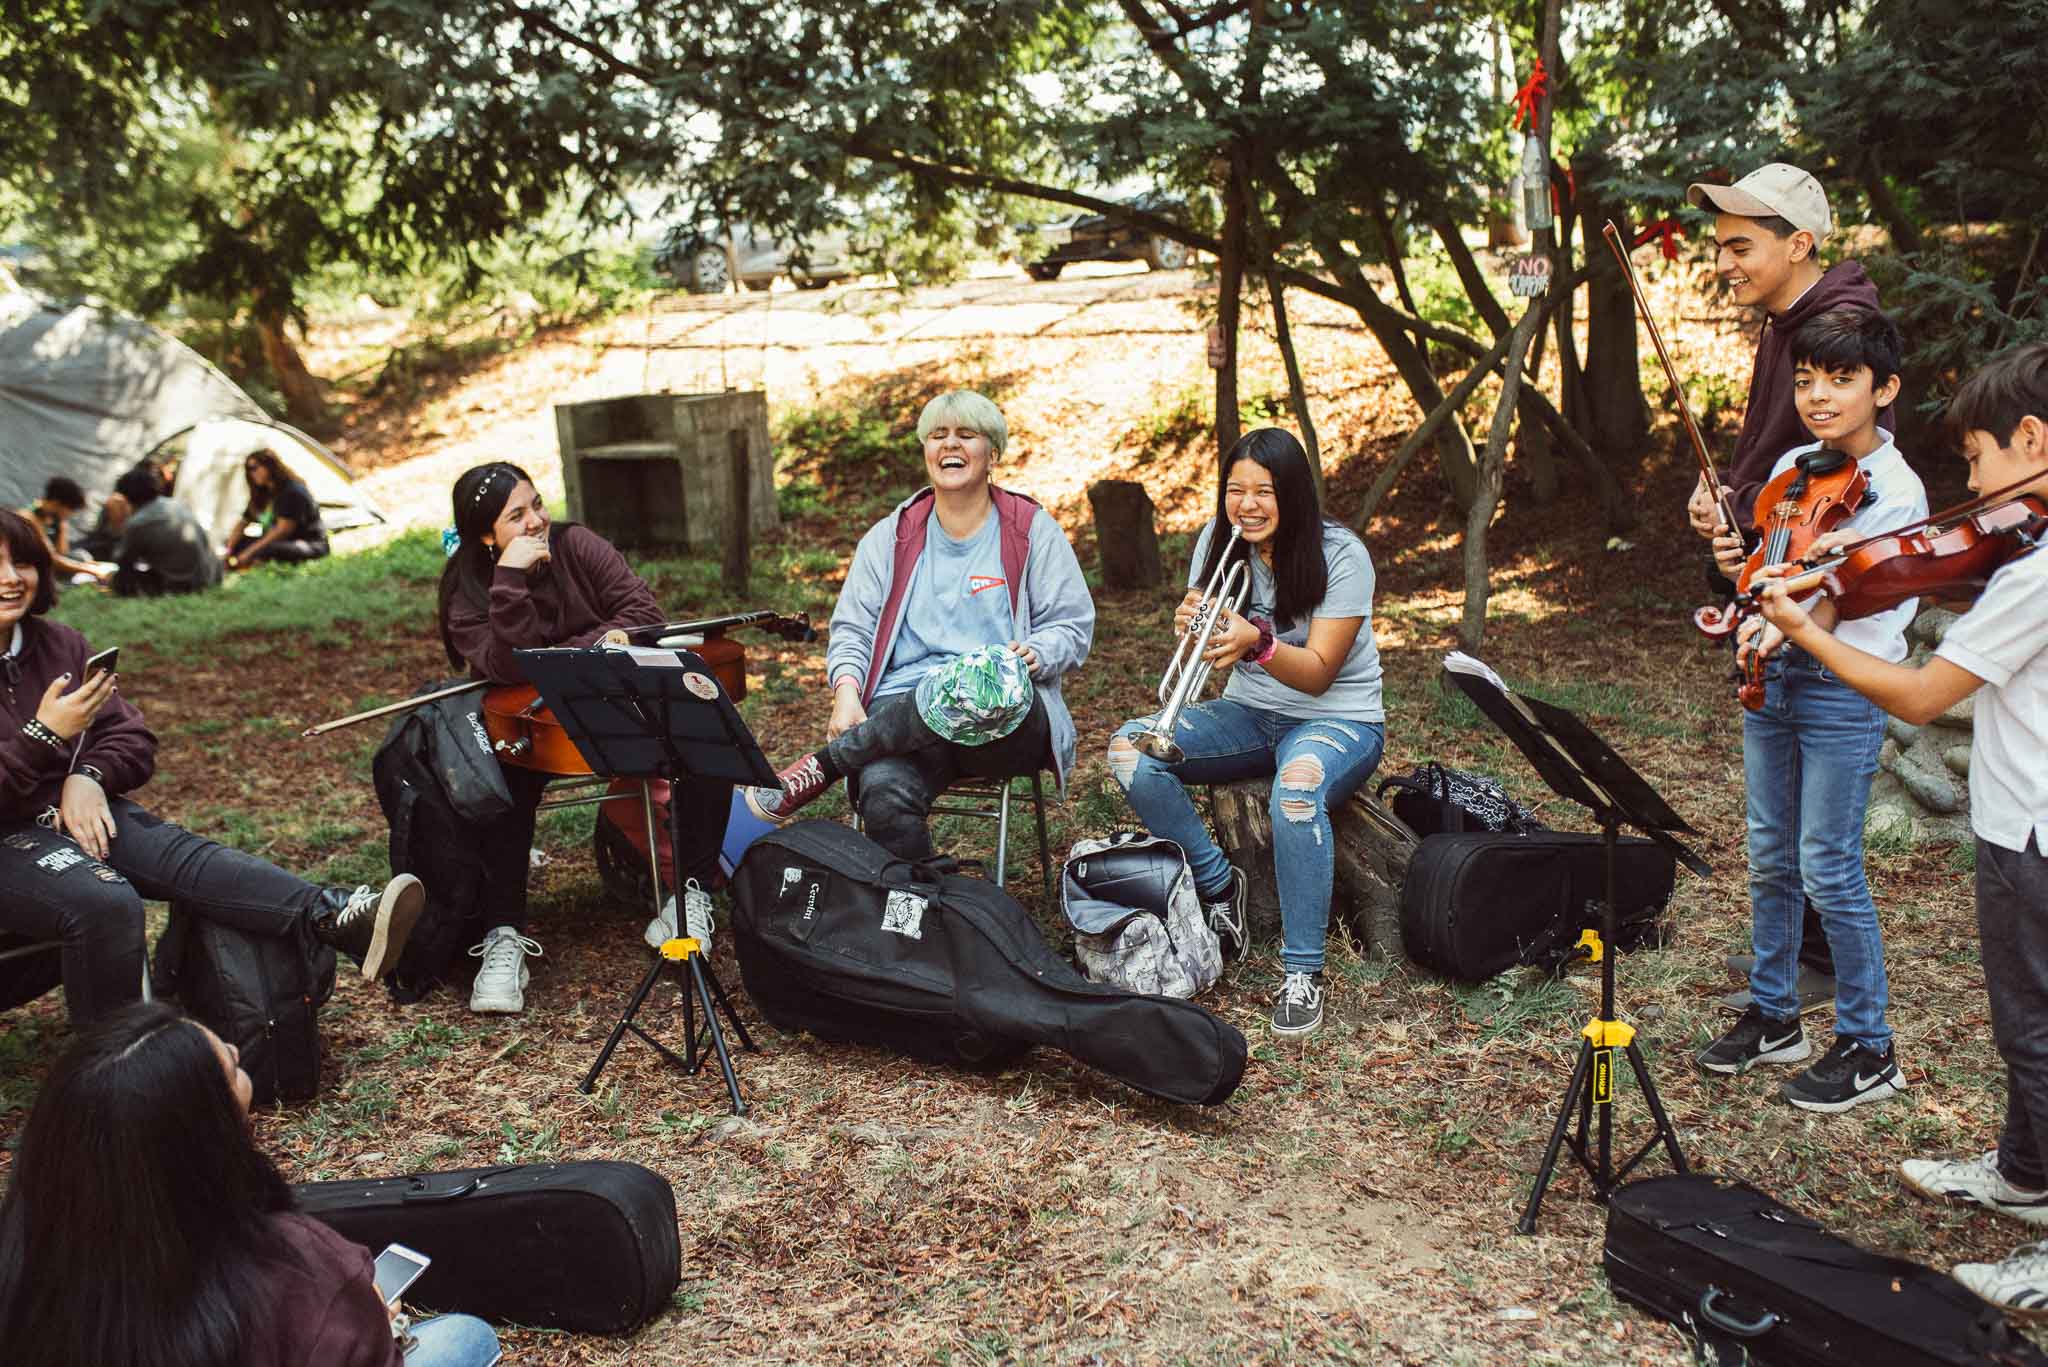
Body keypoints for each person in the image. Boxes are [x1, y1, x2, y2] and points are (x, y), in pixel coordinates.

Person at [1749, 342, 2048, 1309]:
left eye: (1975, 458)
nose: (1969, 486)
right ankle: (2024, 1174)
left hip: (2036, 829)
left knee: (2039, 1032)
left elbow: (1921, 696)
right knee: (2021, 1023)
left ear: (2032, 441)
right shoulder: (2024, 554)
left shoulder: (2036, 577)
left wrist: (1808, 630)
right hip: (2016, 819)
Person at [0, 509, 420, 1023]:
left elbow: (129, 735)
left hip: (70, 812)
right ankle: (115, 1076)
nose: (10, 579)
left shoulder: (58, 643)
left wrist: (88, 776)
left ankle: (336, 915)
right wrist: (43, 738)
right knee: (106, 903)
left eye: (22, 562)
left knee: (181, 855)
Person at [1693, 306, 1926, 1112]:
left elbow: (1833, 599)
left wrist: (1778, 606)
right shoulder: (1794, 466)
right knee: (1769, 855)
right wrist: (1735, 558)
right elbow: (1763, 573)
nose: (1818, 395)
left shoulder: (1897, 493)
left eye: (1841, 378)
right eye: (1805, 379)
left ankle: (1869, 1042)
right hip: (1772, 677)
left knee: (1828, 864)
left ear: (1884, 388)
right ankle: (1775, 1013)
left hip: (1841, 687)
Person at [0, 1001, 501, 1367]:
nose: (239, 1050)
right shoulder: (291, 1268)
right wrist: (373, 1322)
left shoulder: (25, 1264)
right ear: (205, 1134)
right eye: (231, 1067)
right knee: (466, 1339)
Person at [1684, 162, 1894, 1010]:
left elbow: (1842, 467)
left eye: (1742, 245)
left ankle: (1823, 972)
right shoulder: (1785, 321)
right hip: (1773, 566)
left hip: (1816, 598)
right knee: (1781, 820)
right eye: (1721, 246)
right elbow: (1773, 458)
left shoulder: (1838, 325)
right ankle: (1800, 958)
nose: (1725, 262)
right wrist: (1725, 500)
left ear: (1798, 243)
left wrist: (1760, 527)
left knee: (1812, 825)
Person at [1106, 427, 1386, 1040]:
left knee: (1294, 793)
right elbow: (1205, 626)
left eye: (1265, 491)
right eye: (1236, 490)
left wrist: (1257, 642)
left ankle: (1302, 973)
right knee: (1130, 750)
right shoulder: (1217, 539)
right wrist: (1194, 624)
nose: (1248, 505)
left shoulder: (1343, 556)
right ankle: (1216, 883)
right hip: (1251, 715)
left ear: (1295, 495)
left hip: (1338, 718)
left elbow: (1316, 675)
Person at [745, 390, 1093, 866]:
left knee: (972, 684)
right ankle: (923, 906)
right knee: (883, 793)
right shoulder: (892, 535)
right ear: (926, 450)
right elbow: (853, 628)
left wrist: (1038, 652)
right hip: (901, 721)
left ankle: (825, 765)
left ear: (992, 454)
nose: (950, 445)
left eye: (966, 435)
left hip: (1003, 719)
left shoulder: (1030, 529)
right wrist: (847, 691)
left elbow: (1071, 624)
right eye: (937, 436)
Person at [437, 461, 666, 1014]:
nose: (538, 521)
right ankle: (502, 935)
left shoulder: (578, 544)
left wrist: (572, 652)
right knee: (503, 786)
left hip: (610, 699)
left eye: (536, 504)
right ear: (486, 537)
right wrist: (510, 581)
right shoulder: (467, 587)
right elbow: (512, 667)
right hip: (531, 722)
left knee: (688, 729)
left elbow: (644, 613)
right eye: (516, 516)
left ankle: (687, 898)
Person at [109, 464, 223, 597]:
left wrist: (117, 522)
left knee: (118, 579)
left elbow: (122, 560)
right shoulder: (175, 504)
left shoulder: (139, 523)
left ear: (126, 498)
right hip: (210, 577)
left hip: (182, 585)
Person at [225, 448, 329, 569]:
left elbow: (282, 531)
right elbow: (243, 522)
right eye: (248, 470)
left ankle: (254, 564)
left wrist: (248, 553)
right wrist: (229, 549)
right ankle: (251, 562)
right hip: (278, 542)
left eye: (255, 467)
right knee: (236, 542)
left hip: (307, 544)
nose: (252, 473)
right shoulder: (262, 493)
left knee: (267, 549)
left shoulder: (292, 491)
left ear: (270, 466)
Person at [17, 475, 113, 584]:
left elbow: (63, 551)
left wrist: (62, 527)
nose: (70, 515)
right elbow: (51, 559)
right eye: (70, 510)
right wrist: (90, 570)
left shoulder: (54, 517)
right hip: (28, 567)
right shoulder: (29, 518)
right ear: (56, 504)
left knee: (81, 556)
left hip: (49, 561)